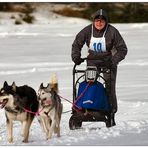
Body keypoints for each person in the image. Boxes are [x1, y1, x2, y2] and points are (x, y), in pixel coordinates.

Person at [71, 9, 127, 126]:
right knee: (88, 85)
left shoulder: (112, 31)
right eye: (97, 21)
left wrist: (113, 61)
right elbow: (77, 44)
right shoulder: (87, 30)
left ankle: (110, 113)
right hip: (92, 62)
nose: (99, 23)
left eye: (102, 21)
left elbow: (122, 49)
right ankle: (86, 108)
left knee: (109, 88)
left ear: (106, 22)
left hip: (108, 62)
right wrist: (76, 57)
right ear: (93, 21)